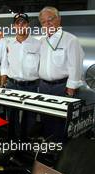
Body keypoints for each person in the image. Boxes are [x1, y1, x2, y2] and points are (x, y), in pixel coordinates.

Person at [38, 6, 84, 141]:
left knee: (61, 120)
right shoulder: (42, 41)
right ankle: (48, 146)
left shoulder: (70, 40)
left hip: (62, 87)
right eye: (44, 22)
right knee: (46, 117)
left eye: (50, 19)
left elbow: (75, 65)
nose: (48, 24)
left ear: (59, 19)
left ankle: (59, 150)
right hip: (44, 86)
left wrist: (70, 89)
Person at [5, 13, 41, 139]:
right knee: (11, 116)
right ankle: (12, 144)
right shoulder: (9, 44)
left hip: (31, 86)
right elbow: (4, 64)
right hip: (12, 85)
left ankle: (25, 145)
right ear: (14, 26)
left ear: (28, 25)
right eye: (18, 23)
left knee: (29, 117)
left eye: (23, 23)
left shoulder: (38, 44)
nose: (21, 26)